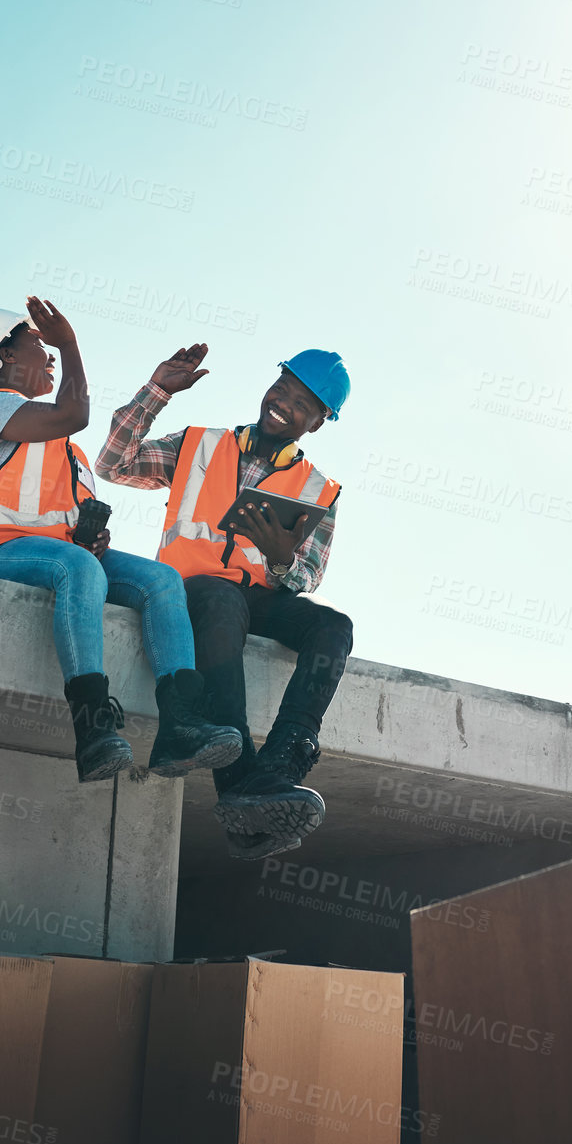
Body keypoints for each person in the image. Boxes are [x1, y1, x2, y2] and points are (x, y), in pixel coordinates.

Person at [0, 297, 240, 786]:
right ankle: (93, 728)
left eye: (53, 346)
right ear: (5, 359)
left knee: (162, 580)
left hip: (60, 555)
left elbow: (71, 521)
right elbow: (74, 411)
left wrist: (95, 538)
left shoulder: (71, 453)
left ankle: (181, 726)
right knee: (76, 568)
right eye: (39, 345)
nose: (52, 355)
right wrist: (70, 340)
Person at [96, 343, 352, 861]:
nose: (284, 402)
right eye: (282, 386)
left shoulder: (319, 489)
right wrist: (158, 390)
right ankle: (241, 778)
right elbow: (113, 463)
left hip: (257, 598)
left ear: (317, 423)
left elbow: (309, 573)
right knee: (219, 597)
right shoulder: (198, 445)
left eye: (303, 403)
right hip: (189, 593)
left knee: (334, 626)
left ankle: (281, 765)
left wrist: (281, 560)